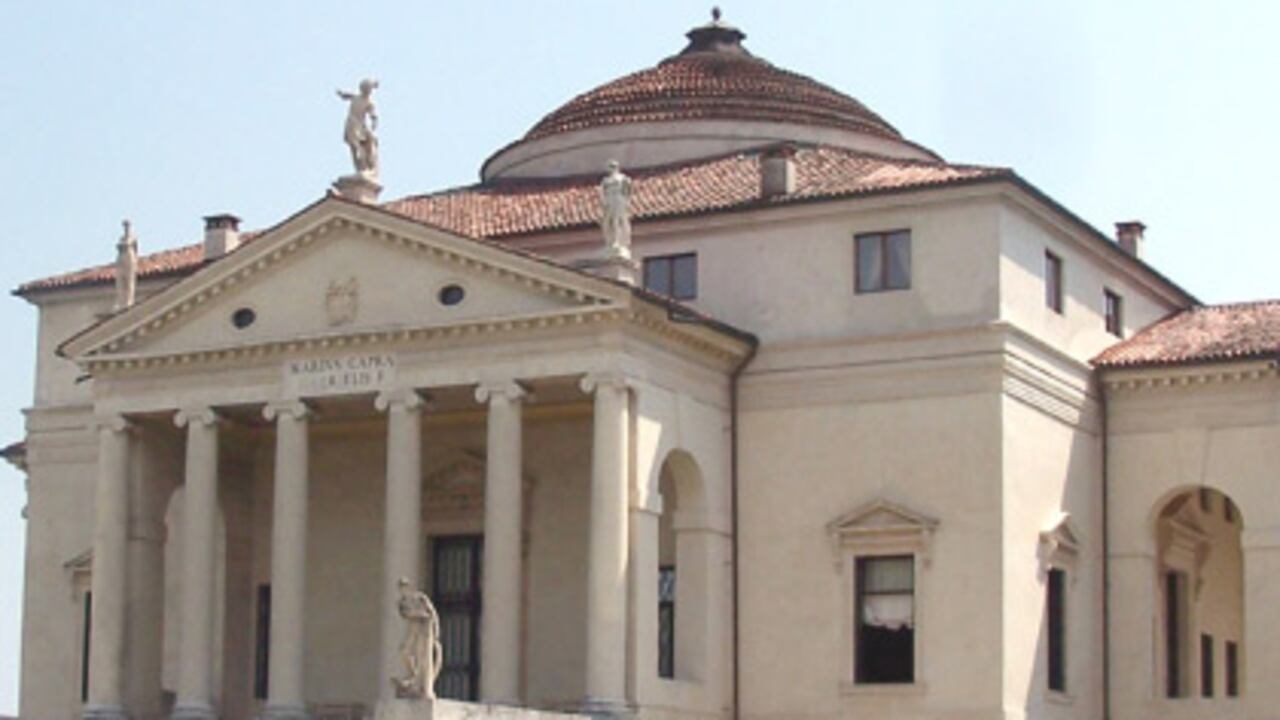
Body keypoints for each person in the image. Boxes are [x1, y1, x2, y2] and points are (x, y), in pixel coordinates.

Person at [392, 577, 443, 699]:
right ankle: (414, 676)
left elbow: (432, 612)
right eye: (401, 587)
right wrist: (418, 614)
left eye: (405, 586)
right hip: (414, 627)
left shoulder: (420, 598)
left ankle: (424, 685)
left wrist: (436, 629)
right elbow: (405, 614)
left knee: (423, 656)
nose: (403, 589)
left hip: (424, 627)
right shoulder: (402, 602)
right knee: (405, 652)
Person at [336, 78, 380, 177]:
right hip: (352, 123)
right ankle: (360, 167)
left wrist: (374, 122)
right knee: (354, 146)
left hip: (360, 125)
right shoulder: (356, 97)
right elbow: (347, 96)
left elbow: (373, 115)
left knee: (360, 146)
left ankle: (364, 166)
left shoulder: (369, 103)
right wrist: (341, 94)